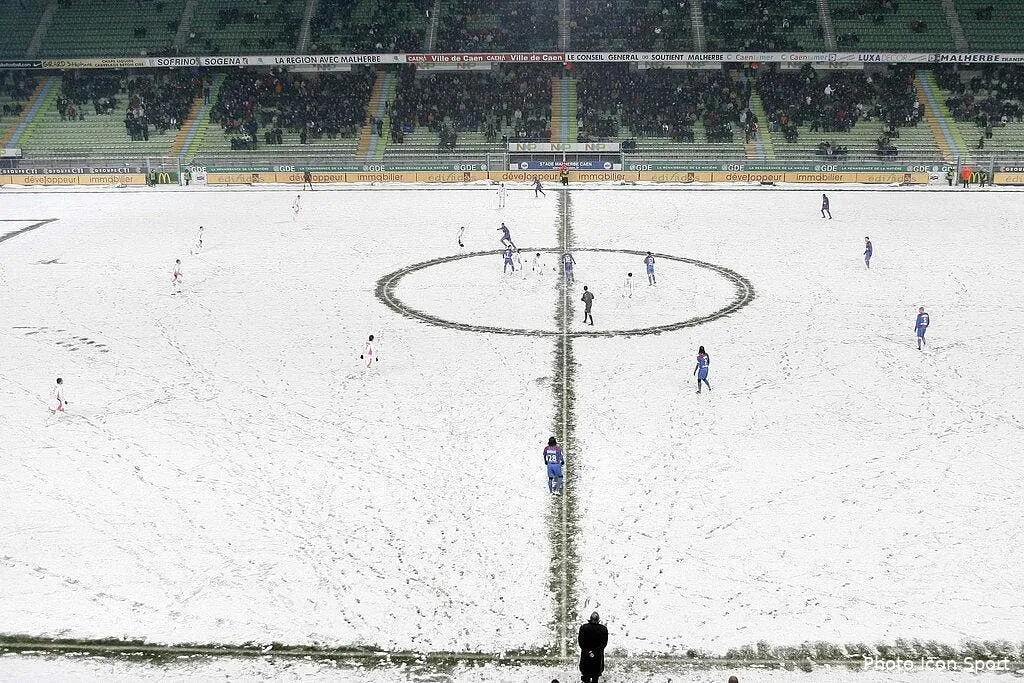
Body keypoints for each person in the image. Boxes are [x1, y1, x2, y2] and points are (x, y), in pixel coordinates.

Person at [578, 612, 608, 683]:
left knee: (586, 675)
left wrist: (589, 652)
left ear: (590, 619)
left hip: (586, 655)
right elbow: (604, 643)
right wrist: (595, 652)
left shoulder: (584, 627)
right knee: (595, 677)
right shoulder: (603, 629)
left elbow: (581, 642)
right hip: (597, 656)